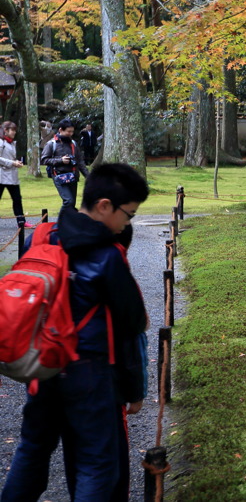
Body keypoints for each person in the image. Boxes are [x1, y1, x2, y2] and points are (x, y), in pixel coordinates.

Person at [1, 163, 150, 502]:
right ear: (104, 207)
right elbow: (131, 323)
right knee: (96, 466)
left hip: (43, 365)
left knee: (32, 452)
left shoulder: (43, 236)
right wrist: (134, 390)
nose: (128, 223)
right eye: (128, 214)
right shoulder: (107, 256)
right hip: (89, 375)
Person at [41, 119, 88, 209]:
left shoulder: (73, 143)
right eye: (68, 131)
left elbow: (80, 161)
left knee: (72, 203)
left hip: (73, 176)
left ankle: (68, 221)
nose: (71, 134)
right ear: (60, 130)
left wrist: (88, 176)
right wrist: (60, 160)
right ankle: (61, 221)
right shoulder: (51, 144)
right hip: (59, 176)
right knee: (68, 201)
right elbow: (44, 160)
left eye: (72, 132)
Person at [0, 121, 31, 228]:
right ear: (5, 131)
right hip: (1, 175)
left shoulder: (11, 143)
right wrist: (13, 163)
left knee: (17, 198)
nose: (14, 132)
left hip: (11, 176)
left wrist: (17, 162)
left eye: (14, 130)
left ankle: (21, 221)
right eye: (12, 130)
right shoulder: (1, 142)